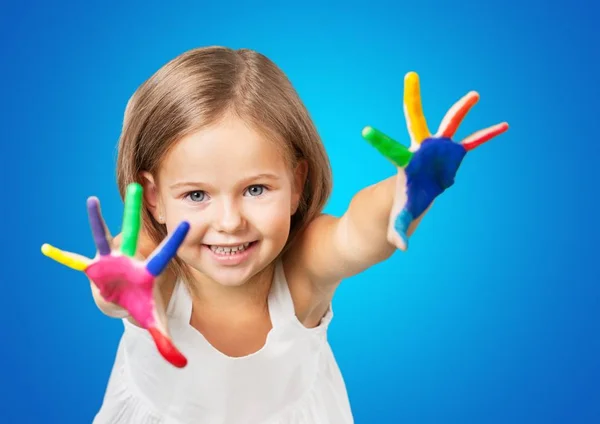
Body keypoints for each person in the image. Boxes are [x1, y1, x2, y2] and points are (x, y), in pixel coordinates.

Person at [48, 45, 508, 424]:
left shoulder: (301, 272)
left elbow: (355, 234)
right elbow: (123, 295)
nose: (229, 221)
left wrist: (404, 190)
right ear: (154, 198)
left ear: (297, 184)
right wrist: (113, 293)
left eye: (255, 189)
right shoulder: (156, 268)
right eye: (196, 195)